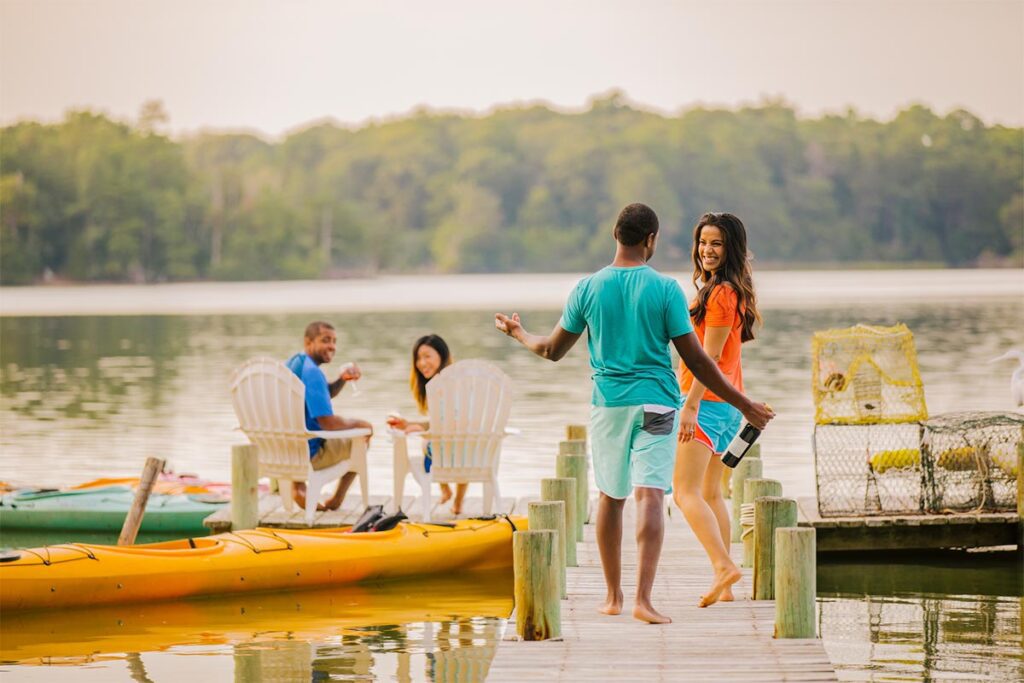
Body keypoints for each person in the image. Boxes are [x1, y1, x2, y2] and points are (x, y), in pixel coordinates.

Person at [495, 203, 774, 624]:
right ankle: (644, 601)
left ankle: (613, 597)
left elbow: (552, 351)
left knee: (611, 496)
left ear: (615, 235)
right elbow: (700, 360)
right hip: (660, 404)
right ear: (652, 240)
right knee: (650, 495)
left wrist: (519, 334)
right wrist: (743, 403)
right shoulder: (665, 290)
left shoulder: (587, 288)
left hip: (609, 405)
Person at [674, 212, 763, 608]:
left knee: (684, 492)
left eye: (717, 244)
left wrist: (689, 407)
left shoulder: (721, 293)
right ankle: (725, 583)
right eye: (703, 242)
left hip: (706, 404)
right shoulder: (724, 290)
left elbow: (707, 360)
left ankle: (723, 566)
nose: (707, 251)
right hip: (723, 404)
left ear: (731, 249)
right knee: (710, 493)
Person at [285, 320, 374, 511]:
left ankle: (298, 485)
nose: (332, 346)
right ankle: (336, 499)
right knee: (362, 438)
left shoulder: (296, 363)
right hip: (310, 454)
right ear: (308, 342)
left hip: (286, 450)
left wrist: (342, 379)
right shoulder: (313, 372)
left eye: (334, 341)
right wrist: (362, 424)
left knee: (355, 431)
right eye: (325, 340)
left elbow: (325, 393)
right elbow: (328, 423)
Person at [385, 334, 469, 514]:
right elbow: (442, 421)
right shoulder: (455, 381)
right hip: (474, 452)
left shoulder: (444, 385)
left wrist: (425, 433)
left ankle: (446, 490)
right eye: (418, 358)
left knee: (428, 444)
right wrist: (410, 424)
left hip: (453, 452)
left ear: (442, 355)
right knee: (445, 443)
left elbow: (452, 424)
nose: (422, 363)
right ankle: (457, 501)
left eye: (427, 356)